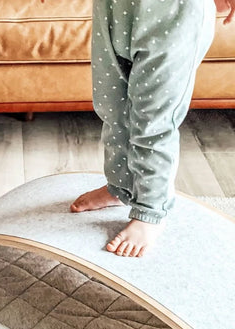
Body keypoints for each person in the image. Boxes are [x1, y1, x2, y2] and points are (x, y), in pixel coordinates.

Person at [70, 0, 235, 257]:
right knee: (112, 107)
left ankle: (150, 210)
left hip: (176, 15)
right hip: (114, 9)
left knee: (153, 121)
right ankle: (120, 187)